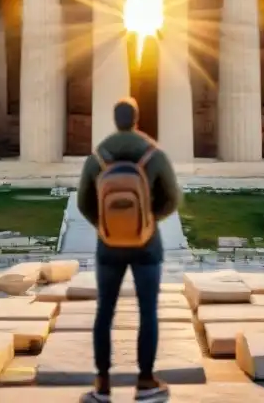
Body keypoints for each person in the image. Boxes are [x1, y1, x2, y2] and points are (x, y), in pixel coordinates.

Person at [76, 97, 181, 403]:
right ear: (136, 119)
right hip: (147, 245)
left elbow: (84, 202)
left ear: (115, 119)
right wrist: (147, 221)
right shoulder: (154, 154)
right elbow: (172, 198)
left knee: (104, 313)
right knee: (147, 312)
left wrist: (105, 226)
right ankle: (146, 382)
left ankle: (102, 385)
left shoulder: (97, 157)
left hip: (108, 246)